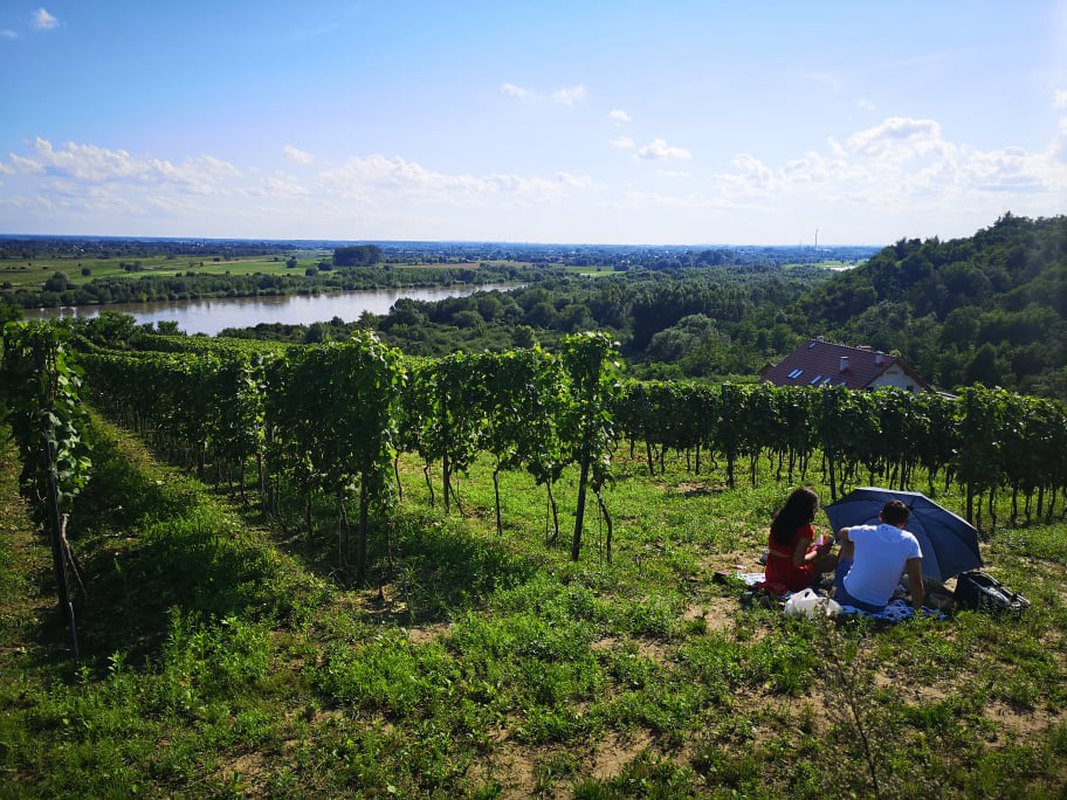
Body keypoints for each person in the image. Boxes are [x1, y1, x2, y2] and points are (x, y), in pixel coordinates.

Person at [834, 499, 925, 612]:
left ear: (881, 516)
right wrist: (917, 611)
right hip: (877, 606)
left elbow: (842, 533)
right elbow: (916, 580)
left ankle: (836, 587)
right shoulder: (911, 540)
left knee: (848, 541)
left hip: (848, 596)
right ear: (903, 523)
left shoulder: (865, 530)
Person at [763, 487, 837, 592]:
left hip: (772, 573)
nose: (816, 510)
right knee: (831, 559)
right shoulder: (805, 529)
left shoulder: (779, 519)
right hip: (792, 579)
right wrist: (818, 551)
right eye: (815, 507)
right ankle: (813, 580)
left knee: (814, 553)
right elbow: (798, 562)